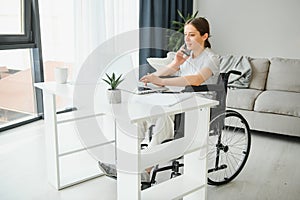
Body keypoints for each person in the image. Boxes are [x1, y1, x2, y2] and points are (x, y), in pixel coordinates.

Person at [99, 17, 220, 183]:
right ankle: (125, 163)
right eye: (185, 34)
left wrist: (162, 81)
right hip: (179, 98)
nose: (186, 39)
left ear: (204, 36)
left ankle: (145, 170)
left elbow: (197, 79)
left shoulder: (211, 58)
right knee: (140, 117)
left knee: (163, 116)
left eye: (191, 35)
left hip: (199, 104)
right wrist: (155, 75)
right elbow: (171, 69)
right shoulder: (187, 54)